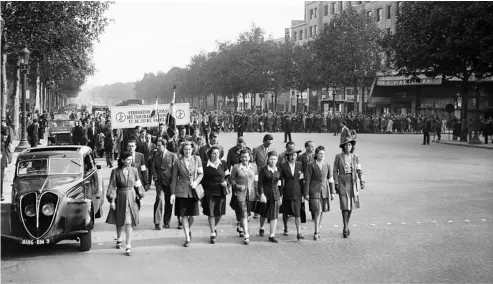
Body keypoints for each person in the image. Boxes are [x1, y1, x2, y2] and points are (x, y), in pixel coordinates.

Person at [105, 151, 145, 256]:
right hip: (120, 196)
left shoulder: (135, 170)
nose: (130, 161)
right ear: (122, 160)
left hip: (131, 197)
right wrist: (112, 201)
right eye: (128, 159)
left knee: (128, 222)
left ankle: (128, 246)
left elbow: (138, 184)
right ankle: (119, 239)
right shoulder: (115, 172)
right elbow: (112, 186)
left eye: (131, 159)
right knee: (119, 219)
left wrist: (140, 196)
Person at [170, 142, 204, 247]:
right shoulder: (178, 161)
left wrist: (196, 182)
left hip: (193, 191)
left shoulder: (197, 159)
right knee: (184, 215)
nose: (187, 151)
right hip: (181, 191)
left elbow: (201, 173)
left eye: (189, 149)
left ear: (192, 150)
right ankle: (187, 237)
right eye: (185, 149)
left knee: (192, 215)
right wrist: (173, 193)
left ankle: (187, 228)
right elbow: (174, 178)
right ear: (182, 150)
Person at [333, 137, 365, 238]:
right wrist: (336, 183)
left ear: (352, 147)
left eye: (350, 145)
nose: (348, 147)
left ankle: (346, 224)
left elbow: (359, 170)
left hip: (353, 181)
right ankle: (345, 226)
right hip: (343, 181)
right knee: (344, 204)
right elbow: (334, 171)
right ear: (343, 146)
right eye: (346, 145)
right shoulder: (338, 156)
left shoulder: (356, 157)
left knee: (350, 204)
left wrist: (362, 180)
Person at [304, 146, 335, 240]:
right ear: (316, 154)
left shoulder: (327, 164)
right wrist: (306, 193)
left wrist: (332, 192)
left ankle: (317, 228)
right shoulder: (311, 165)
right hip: (314, 191)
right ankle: (316, 231)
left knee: (322, 211)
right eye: (320, 154)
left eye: (323, 154)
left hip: (324, 191)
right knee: (318, 210)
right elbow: (307, 180)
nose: (322, 155)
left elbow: (330, 179)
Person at [201, 146, 230, 244]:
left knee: (219, 213)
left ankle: (214, 226)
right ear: (210, 154)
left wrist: (226, 182)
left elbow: (227, 176)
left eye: (217, 153)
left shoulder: (223, 164)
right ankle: (213, 233)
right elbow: (201, 178)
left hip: (220, 191)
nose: (216, 155)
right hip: (209, 191)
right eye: (214, 153)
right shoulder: (205, 165)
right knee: (211, 212)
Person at [229, 149, 258, 245]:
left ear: (249, 157)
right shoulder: (236, 167)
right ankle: (246, 236)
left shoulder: (254, 166)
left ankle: (240, 227)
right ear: (240, 158)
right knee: (244, 214)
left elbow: (256, 180)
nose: (244, 158)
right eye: (242, 157)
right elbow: (231, 179)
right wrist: (237, 186)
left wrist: (258, 193)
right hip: (240, 194)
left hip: (251, 194)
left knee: (247, 214)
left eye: (246, 156)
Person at [150, 139, 178, 230]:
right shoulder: (156, 156)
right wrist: (155, 176)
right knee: (159, 199)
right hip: (159, 182)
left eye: (159, 146)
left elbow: (176, 169)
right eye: (157, 145)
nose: (157, 147)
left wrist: (174, 181)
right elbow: (153, 167)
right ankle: (157, 222)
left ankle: (167, 221)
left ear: (164, 146)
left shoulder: (173, 156)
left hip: (169, 183)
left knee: (169, 202)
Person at [257, 151, 283, 243]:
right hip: (265, 194)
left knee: (274, 215)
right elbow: (260, 183)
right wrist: (262, 194)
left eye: (275, 159)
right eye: (271, 159)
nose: (273, 161)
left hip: (275, 194)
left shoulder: (279, 170)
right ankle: (261, 227)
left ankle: (272, 235)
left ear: (277, 160)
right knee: (263, 213)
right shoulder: (263, 169)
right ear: (268, 159)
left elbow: (280, 183)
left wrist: (280, 196)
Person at [279, 149, 305, 240]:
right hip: (287, 190)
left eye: (294, 155)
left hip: (297, 192)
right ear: (287, 157)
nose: (292, 157)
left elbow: (302, 180)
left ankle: (299, 232)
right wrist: (281, 193)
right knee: (285, 211)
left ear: (296, 156)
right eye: (290, 155)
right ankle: (285, 227)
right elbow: (280, 180)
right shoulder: (283, 166)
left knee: (297, 213)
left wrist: (303, 194)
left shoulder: (300, 165)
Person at [1, 128, 12, 201]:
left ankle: (1, 194)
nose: (5, 138)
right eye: (4, 136)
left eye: (7, 136)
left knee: (1, 178)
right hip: (1, 160)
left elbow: (7, 151)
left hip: (3, 162)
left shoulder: (5, 142)